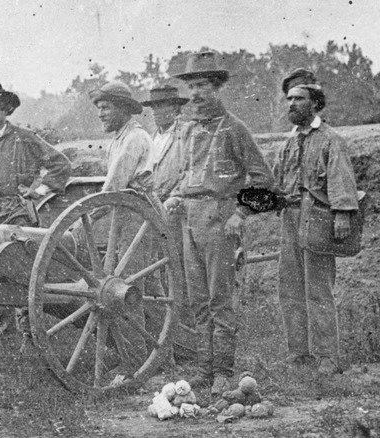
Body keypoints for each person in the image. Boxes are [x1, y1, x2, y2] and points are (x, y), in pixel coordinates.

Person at [164, 52, 274, 396]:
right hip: (190, 220)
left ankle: (224, 371)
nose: (195, 94)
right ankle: (203, 370)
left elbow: (265, 180)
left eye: (202, 87)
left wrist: (239, 215)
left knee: (220, 300)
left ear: (217, 89)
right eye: (192, 87)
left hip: (219, 221)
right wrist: (178, 197)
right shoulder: (190, 131)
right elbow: (187, 175)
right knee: (197, 299)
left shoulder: (234, 129)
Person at [0, 80, 72, 341]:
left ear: (6, 111)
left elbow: (61, 165)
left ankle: (29, 337)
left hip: (16, 217)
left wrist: (36, 192)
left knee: (20, 278)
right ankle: (3, 338)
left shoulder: (23, 138)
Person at [273, 69, 359, 376]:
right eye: (289, 99)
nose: (291, 104)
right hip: (290, 220)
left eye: (298, 98)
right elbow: (275, 182)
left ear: (315, 103)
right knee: (289, 288)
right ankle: (298, 354)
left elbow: (341, 180)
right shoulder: (286, 143)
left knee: (318, 289)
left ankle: (327, 357)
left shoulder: (331, 141)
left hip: (319, 219)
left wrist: (343, 215)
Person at [90, 81, 157, 385]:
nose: (101, 112)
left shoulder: (134, 138)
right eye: (99, 107)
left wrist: (85, 219)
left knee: (126, 289)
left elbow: (114, 186)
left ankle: (135, 366)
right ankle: (156, 355)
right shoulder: (120, 137)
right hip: (127, 216)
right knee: (143, 287)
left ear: (123, 108)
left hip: (138, 218)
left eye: (106, 106)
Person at [141, 85, 195, 344]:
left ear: (175, 108)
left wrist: (178, 195)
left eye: (162, 107)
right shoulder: (153, 137)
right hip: (153, 207)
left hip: (176, 208)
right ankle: (163, 325)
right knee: (156, 267)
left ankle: (185, 329)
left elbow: (191, 171)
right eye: (153, 108)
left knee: (177, 268)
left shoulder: (185, 134)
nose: (156, 112)